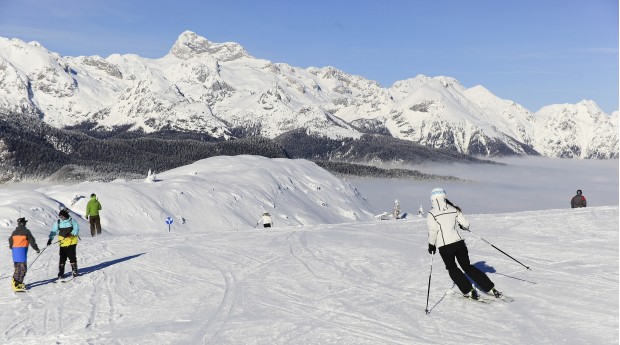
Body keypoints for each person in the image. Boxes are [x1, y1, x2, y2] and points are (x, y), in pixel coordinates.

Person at [426, 188, 502, 300]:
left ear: (432, 198)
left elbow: (432, 231)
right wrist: (463, 226)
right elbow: (465, 224)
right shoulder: (453, 209)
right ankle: (490, 288)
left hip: (445, 246)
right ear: (444, 196)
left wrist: (431, 245)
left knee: (452, 268)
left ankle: (469, 290)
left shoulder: (431, 214)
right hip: (459, 243)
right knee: (467, 267)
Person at [8, 217, 40, 291]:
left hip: (15, 252)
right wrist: (36, 248)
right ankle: (18, 284)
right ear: (24, 223)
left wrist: (11, 246)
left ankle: (14, 281)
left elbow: (10, 240)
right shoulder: (26, 231)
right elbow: (32, 240)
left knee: (17, 268)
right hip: (21, 251)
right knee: (23, 269)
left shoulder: (14, 232)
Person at [47, 209, 80, 279]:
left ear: (66, 215)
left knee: (71, 256)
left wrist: (71, 234)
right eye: (60, 217)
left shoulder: (72, 221)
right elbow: (54, 231)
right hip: (62, 242)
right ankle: (61, 272)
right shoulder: (58, 222)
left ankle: (74, 270)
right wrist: (50, 239)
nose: (61, 218)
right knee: (62, 257)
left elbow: (76, 229)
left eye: (62, 217)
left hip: (72, 241)